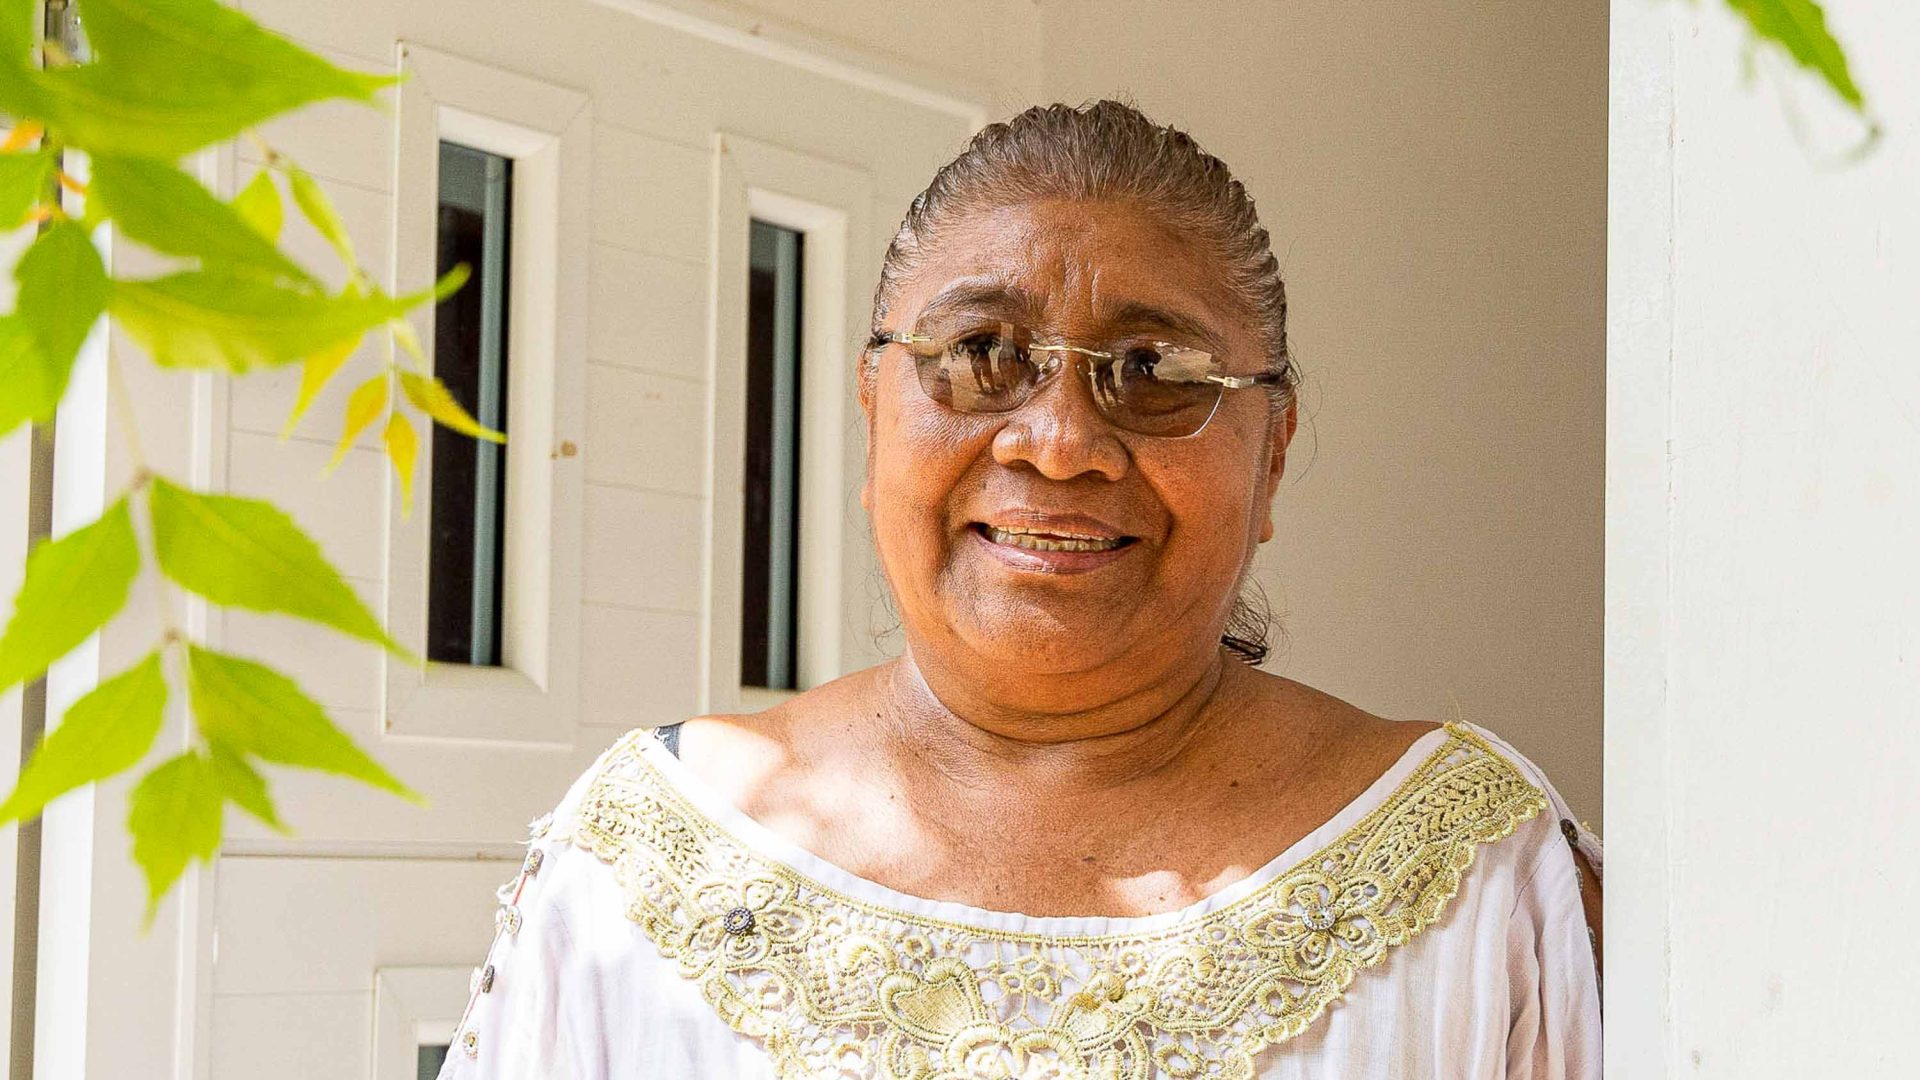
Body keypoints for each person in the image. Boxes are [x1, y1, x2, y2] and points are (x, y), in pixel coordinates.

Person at [437, 100, 1602, 1080]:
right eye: (983, 353)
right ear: (871, 412)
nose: (1057, 442)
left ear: (1274, 454)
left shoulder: (1478, 880)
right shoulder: (640, 869)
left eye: (1154, 372)